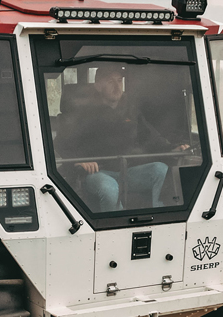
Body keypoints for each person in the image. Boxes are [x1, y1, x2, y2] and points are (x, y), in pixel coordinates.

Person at [57, 63, 189, 211]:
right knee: (109, 188)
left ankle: (159, 219)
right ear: (98, 86)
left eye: (119, 81)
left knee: (161, 170)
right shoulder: (82, 112)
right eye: (110, 81)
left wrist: (172, 148)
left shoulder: (130, 109)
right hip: (97, 173)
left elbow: (150, 136)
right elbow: (63, 142)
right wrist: (80, 160)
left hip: (128, 171)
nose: (117, 86)